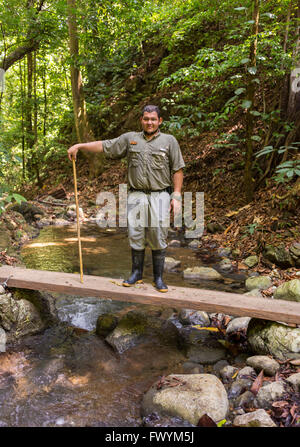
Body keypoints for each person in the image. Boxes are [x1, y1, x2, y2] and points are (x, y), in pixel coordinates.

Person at [67, 104, 185, 292]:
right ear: (141, 120)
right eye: (146, 119)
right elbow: (105, 146)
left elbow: (178, 169)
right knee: (136, 234)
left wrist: (176, 195)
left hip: (160, 195)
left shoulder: (169, 141)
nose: (149, 122)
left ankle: (158, 279)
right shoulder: (130, 139)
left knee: (158, 235)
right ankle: (136, 274)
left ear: (160, 121)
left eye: (153, 119)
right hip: (136, 195)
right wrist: (80, 146)